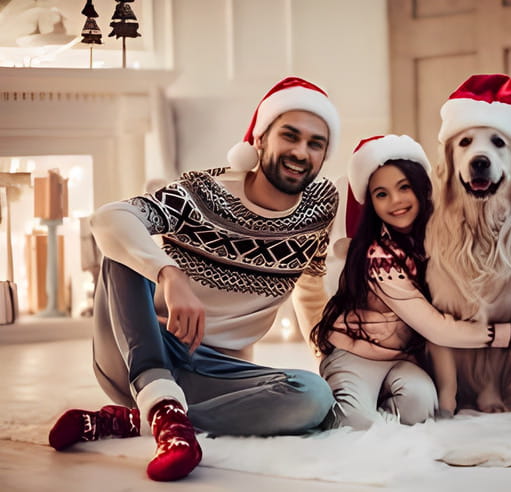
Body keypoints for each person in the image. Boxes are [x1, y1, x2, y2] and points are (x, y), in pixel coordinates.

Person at [47, 76, 341, 481]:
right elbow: (107, 218)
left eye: (315, 143)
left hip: (213, 374)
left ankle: (149, 418)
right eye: (289, 136)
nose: (300, 152)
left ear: (325, 154)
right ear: (259, 140)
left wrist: (328, 361)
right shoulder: (203, 192)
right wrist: (168, 272)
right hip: (138, 350)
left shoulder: (320, 209)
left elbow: (310, 289)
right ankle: (158, 400)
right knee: (122, 251)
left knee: (313, 397)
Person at [311, 134, 511, 430]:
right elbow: (435, 327)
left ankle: (373, 402)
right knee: (356, 423)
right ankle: (347, 400)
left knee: (419, 408)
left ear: (421, 188)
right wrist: (505, 333)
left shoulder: (435, 241)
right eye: (381, 194)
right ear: (372, 205)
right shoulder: (378, 256)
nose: (396, 202)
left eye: (404, 188)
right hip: (356, 354)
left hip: (403, 359)